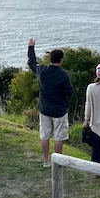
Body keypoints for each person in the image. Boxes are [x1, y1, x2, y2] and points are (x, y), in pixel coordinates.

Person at [27, 38, 73, 167]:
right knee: (59, 137)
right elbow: (69, 92)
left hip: (44, 108)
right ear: (61, 60)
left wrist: (31, 47)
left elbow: (31, 62)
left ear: (50, 59)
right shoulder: (63, 75)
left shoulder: (42, 71)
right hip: (59, 110)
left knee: (45, 135)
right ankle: (57, 163)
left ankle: (46, 161)